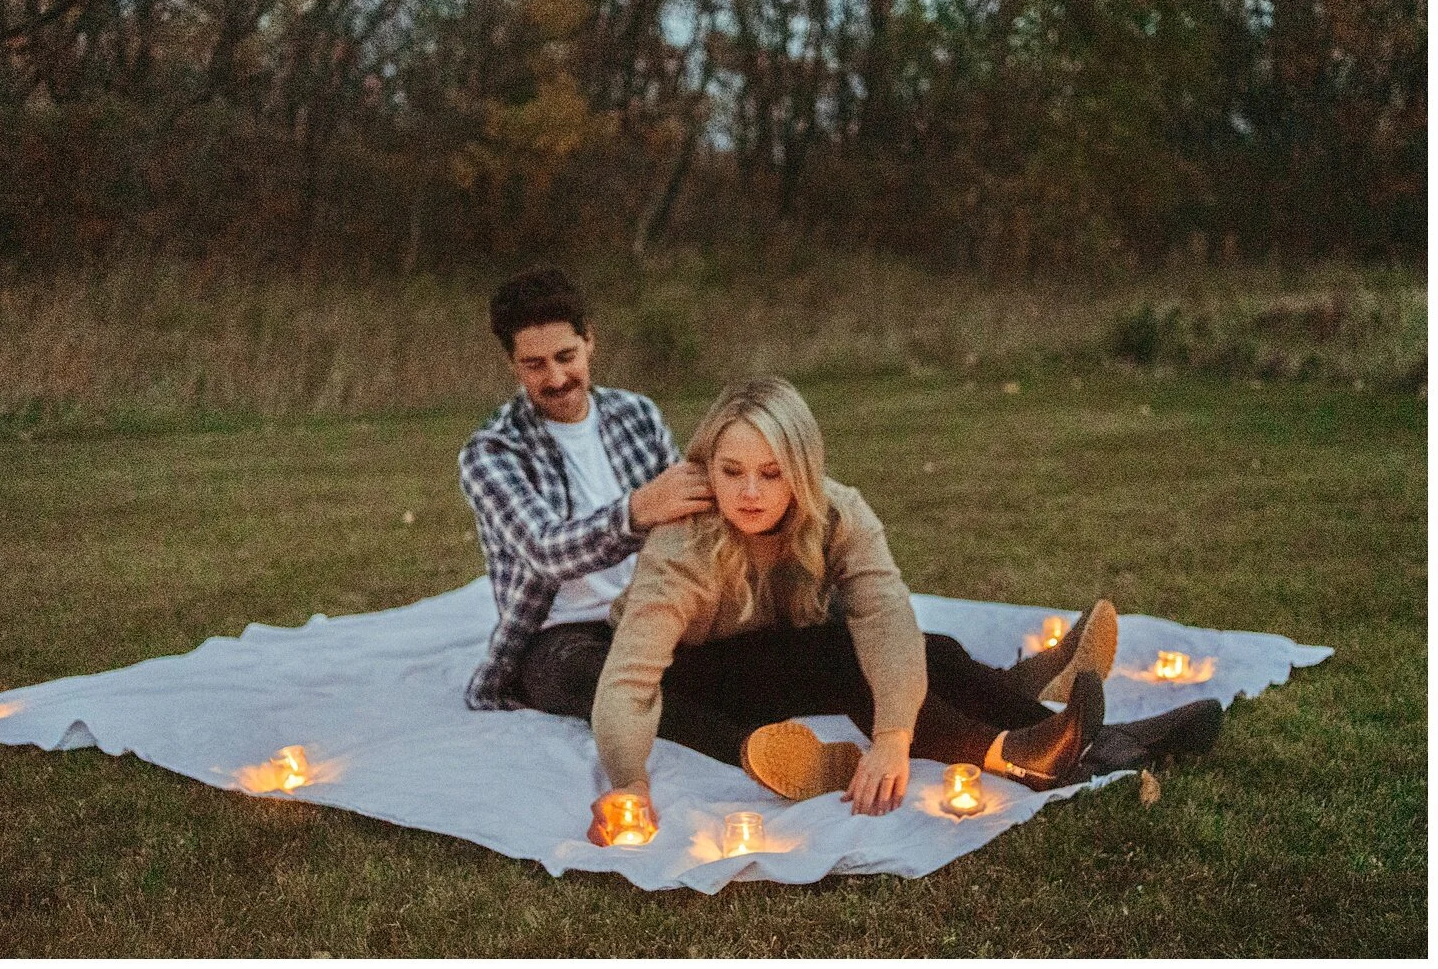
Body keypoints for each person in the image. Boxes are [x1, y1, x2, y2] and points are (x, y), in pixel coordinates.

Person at [587, 376, 1222, 843]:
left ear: (802, 472)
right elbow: (630, 677)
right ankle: (1014, 751)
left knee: (928, 650)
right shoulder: (684, 540)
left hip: (784, 647)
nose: (750, 492)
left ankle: (1096, 742)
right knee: (845, 661)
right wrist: (628, 782)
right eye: (732, 472)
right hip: (694, 677)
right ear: (708, 468)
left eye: (772, 473)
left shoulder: (837, 511)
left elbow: (887, 615)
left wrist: (894, 737)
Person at [458, 267, 714, 715]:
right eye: (534, 365)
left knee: (757, 651)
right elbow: (546, 552)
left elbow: (688, 525)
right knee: (607, 685)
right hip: (558, 635)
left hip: (651, 608)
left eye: (565, 356)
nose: (556, 377)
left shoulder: (638, 414)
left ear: (589, 340)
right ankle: (749, 747)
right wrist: (636, 511)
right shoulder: (490, 452)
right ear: (512, 364)